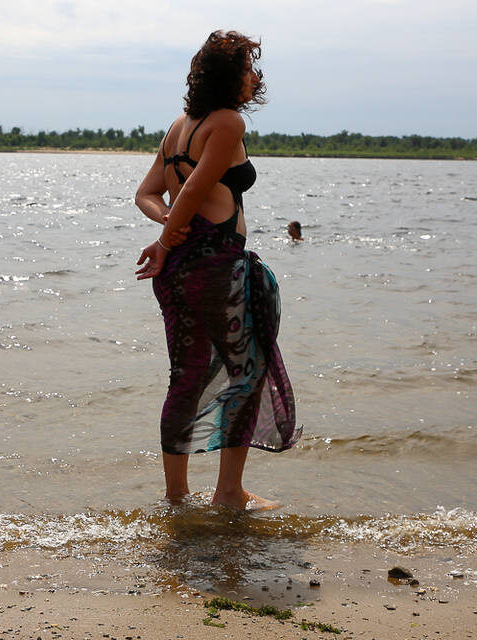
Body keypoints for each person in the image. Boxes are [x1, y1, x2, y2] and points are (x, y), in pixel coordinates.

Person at [134, 30, 300, 511]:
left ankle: (176, 497)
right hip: (215, 265)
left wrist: (166, 226)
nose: (256, 76)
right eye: (249, 67)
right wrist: (167, 236)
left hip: (178, 271)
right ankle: (229, 494)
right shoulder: (227, 122)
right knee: (246, 375)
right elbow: (190, 191)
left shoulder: (178, 126)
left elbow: (147, 193)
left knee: (184, 377)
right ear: (232, 77)